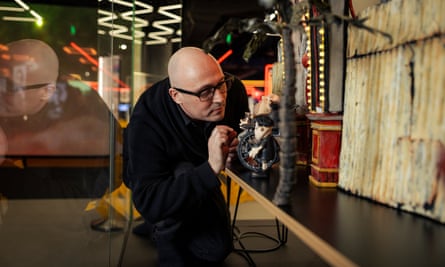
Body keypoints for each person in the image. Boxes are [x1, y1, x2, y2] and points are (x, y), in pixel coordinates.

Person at [124, 47, 249, 266]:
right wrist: (210, 167)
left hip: (196, 172)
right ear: (176, 96)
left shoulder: (234, 90)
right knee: (182, 172)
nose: (220, 98)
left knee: (218, 249)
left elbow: (241, 144)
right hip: (160, 180)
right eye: (205, 92)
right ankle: (161, 230)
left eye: (221, 83)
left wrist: (236, 153)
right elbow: (149, 200)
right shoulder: (148, 117)